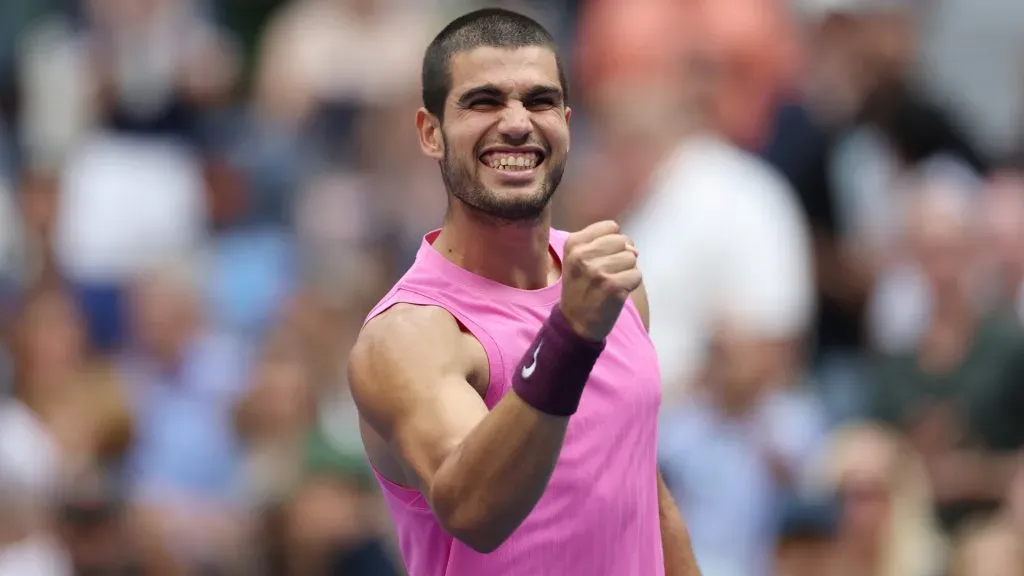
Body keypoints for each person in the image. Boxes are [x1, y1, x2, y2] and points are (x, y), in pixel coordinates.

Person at [347, 8, 700, 576]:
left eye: (538, 102)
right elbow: (475, 511)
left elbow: (644, 492)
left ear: (565, 122)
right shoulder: (408, 336)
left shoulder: (612, 289)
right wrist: (571, 333)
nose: (516, 123)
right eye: (483, 101)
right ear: (430, 132)